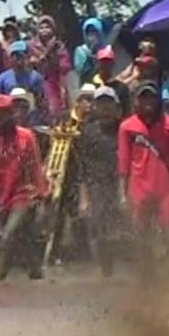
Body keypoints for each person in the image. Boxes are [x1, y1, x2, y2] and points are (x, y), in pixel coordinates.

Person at [0, 93, 47, 280]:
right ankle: (36, 272)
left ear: (10, 114)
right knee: (19, 236)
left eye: (3, 113)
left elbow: (36, 166)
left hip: (23, 193)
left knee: (8, 234)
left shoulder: (25, 136)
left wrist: (41, 194)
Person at [117, 82, 169, 234]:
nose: (148, 102)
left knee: (168, 231)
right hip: (138, 189)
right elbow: (123, 162)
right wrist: (122, 194)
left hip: (165, 189)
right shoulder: (127, 127)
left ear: (158, 100)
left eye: (152, 97)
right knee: (139, 234)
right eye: (143, 97)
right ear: (136, 101)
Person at [70, 87, 123, 275]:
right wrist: (83, 198)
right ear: (95, 107)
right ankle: (105, 271)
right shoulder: (87, 132)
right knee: (99, 227)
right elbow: (82, 168)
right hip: (96, 185)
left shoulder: (124, 130)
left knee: (122, 229)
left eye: (108, 104)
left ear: (116, 108)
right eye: (101, 104)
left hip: (120, 183)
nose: (105, 108)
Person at [93, 46, 131, 115]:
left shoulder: (121, 87)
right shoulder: (89, 85)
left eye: (108, 62)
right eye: (102, 61)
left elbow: (126, 111)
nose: (105, 65)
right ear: (97, 63)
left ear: (113, 64)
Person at [73, 17, 105, 83]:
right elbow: (79, 71)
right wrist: (90, 55)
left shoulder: (105, 50)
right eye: (89, 32)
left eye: (94, 31)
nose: (92, 34)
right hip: (87, 84)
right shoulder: (80, 50)